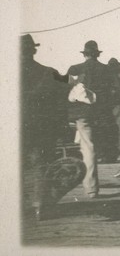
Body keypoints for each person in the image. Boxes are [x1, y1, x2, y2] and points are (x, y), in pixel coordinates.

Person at [20, 34, 68, 220]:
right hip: (43, 128)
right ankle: (40, 207)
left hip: (14, 128)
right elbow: (61, 102)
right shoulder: (49, 72)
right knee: (41, 165)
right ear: (34, 50)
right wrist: (62, 128)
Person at [67, 40, 113, 199]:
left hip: (82, 115)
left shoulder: (75, 69)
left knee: (88, 149)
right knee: (91, 147)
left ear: (85, 54)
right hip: (101, 114)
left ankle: (91, 187)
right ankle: (92, 183)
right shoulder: (106, 70)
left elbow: (67, 91)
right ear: (97, 54)